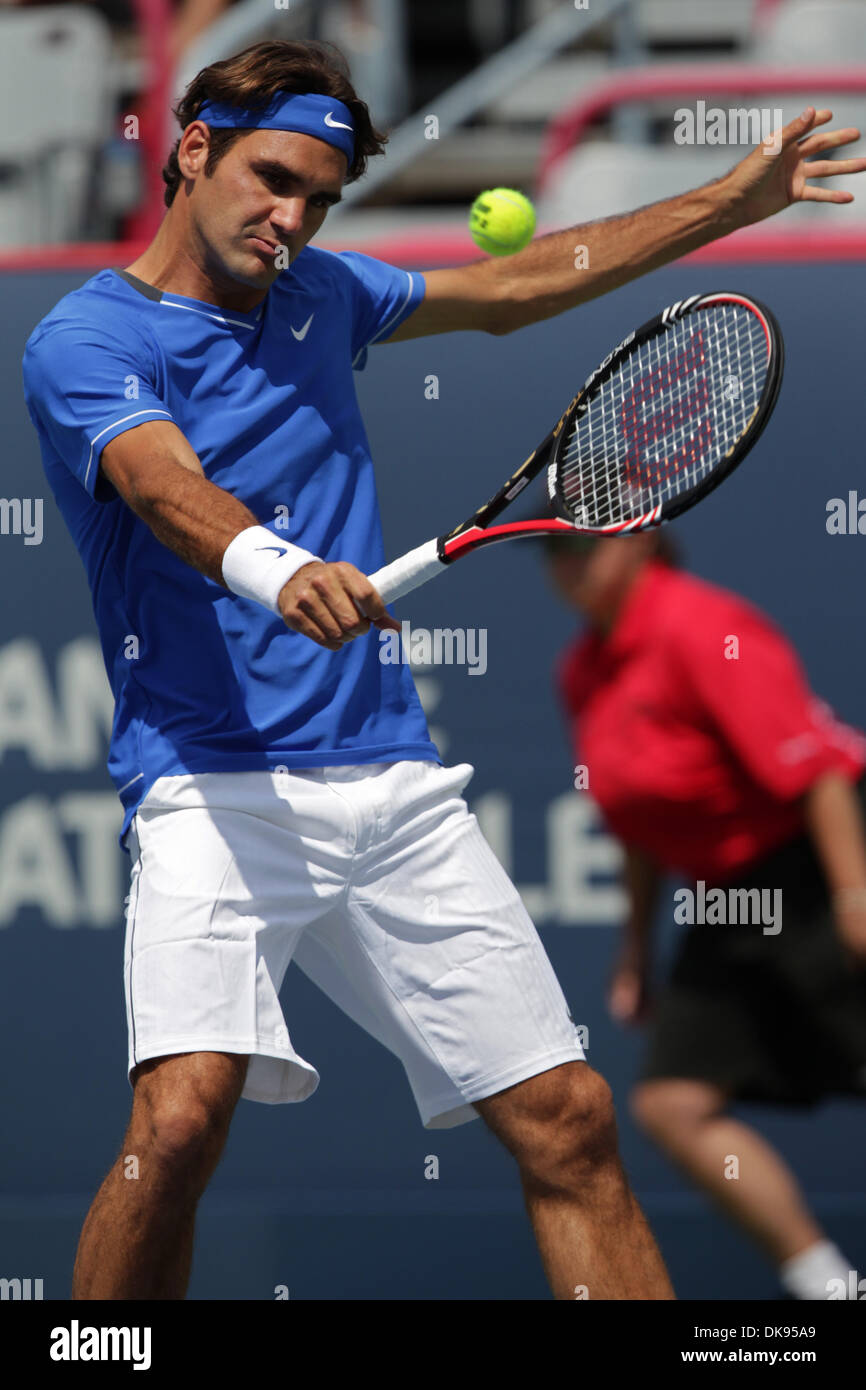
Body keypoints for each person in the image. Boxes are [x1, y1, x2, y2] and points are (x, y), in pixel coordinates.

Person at [21, 35, 865, 1301]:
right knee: (179, 1124)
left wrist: (727, 203)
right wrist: (269, 565)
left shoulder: (326, 294)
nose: (290, 216)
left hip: (390, 787)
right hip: (211, 789)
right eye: (269, 178)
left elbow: (521, 280)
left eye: (318, 196)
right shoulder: (84, 339)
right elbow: (158, 482)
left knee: (569, 1117)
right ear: (187, 151)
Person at [546, 528, 866, 1300]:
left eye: (586, 545)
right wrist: (635, 951)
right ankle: (830, 1289)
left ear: (644, 543)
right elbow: (638, 830)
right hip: (729, 902)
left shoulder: (703, 626)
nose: (570, 565)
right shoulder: (583, 671)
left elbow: (817, 770)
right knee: (673, 1102)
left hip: (820, 868)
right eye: (557, 552)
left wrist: (856, 897)